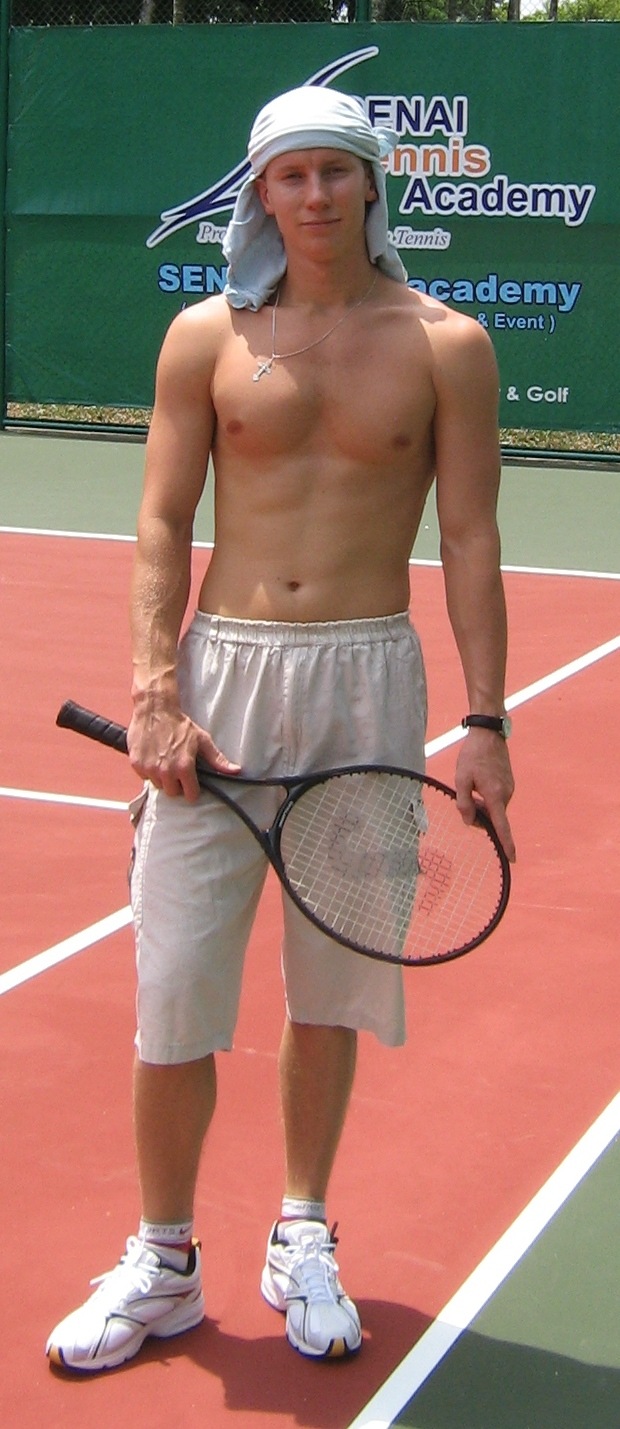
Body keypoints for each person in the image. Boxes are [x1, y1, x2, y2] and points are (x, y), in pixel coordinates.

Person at [46, 85, 515, 1374]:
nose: (315, 195)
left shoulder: (449, 345)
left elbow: (472, 537)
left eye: (336, 171)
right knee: (174, 993)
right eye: (290, 175)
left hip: (370, 685)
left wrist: (485, 719)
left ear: (373, 185)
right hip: (221, 682)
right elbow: (161, 518)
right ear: (261, 193)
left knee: (331, 987)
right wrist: (155, 690)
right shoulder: (205, 336)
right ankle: (164, 1261)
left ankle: (302, 1231)